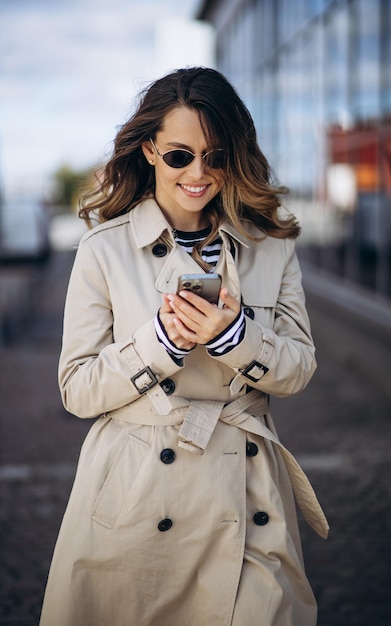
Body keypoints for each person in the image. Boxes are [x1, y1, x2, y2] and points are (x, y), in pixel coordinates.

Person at [40, 66, 328, 626]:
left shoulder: (270, 244)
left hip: (249, 498)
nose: (198, 173)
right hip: (139, 491)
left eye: (215, 155)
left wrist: (233, 336)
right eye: (179, 155)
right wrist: (160, 343)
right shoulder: (103, 250)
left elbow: (298, 368)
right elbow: (76, 388)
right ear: (149, 149)